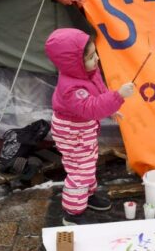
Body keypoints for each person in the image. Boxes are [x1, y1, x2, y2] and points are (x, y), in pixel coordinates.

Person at [44, 28, 135, 226]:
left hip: (84, 127)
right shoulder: (71, 87)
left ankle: (87, 195)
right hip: (71, 130)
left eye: (95, 54)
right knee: (80, 170)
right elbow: (90, 107)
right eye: (92, 56)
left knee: (89, 160)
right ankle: (72, 214)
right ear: (74, 61)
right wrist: (118, 96)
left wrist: (111, 107)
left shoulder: (88, 72)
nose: (97, 59)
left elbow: (99, 92)